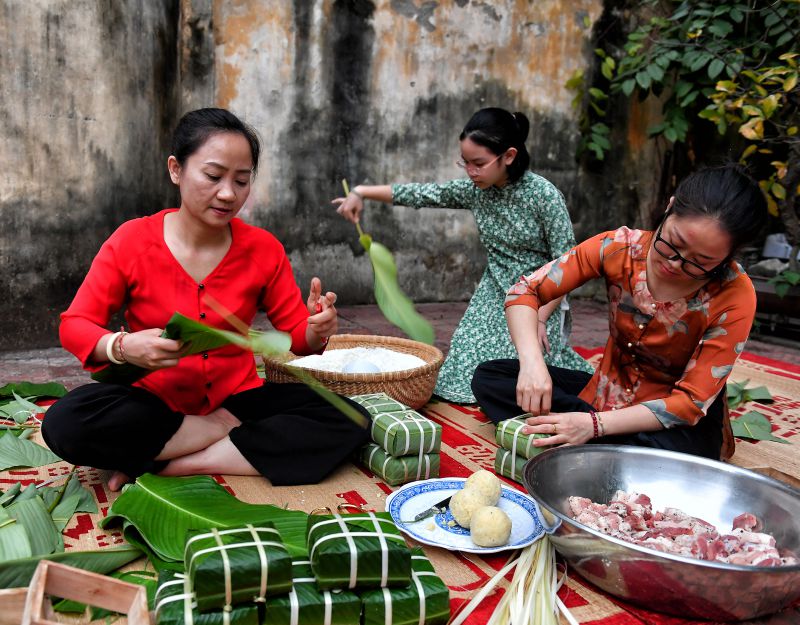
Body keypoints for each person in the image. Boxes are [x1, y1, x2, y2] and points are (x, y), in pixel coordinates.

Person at [43, 108, 369, 491]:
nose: (228, 193)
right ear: (176, 169)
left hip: (239, 403)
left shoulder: (263, 249)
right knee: (64, 422)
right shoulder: (132, 241)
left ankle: (172, 462)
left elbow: (296, 337)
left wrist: (316, 327)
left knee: (352, 418)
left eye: (242, 181)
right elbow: (75, 324)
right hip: (153, 405)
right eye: (213, 176)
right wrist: (123, 346)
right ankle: (214, 438)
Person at [471, 164, 768, 460]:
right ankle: (598, 442)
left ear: (728, 256)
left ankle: (586, 435)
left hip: (669, 422)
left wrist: (595, 425)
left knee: (677, 455)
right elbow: (526, 291)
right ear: (670, 207)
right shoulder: (619, 247)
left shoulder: (735, 295)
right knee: (490, 377)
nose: (676, 264)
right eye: (674, 244)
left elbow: (690, 403)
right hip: (602, 394)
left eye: (701, 262)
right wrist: (532, 363)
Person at [333, 107, 591, 403]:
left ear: (508, 156)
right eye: (465, 163)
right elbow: (422, 194)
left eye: (478, 163)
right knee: (463, 373)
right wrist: (361, 192)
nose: (470, 172)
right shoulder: (476, 191)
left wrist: (541, 319)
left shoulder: (543, 196)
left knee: (519, 371)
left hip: (542, 297)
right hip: (496, 292)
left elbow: (569, 264)